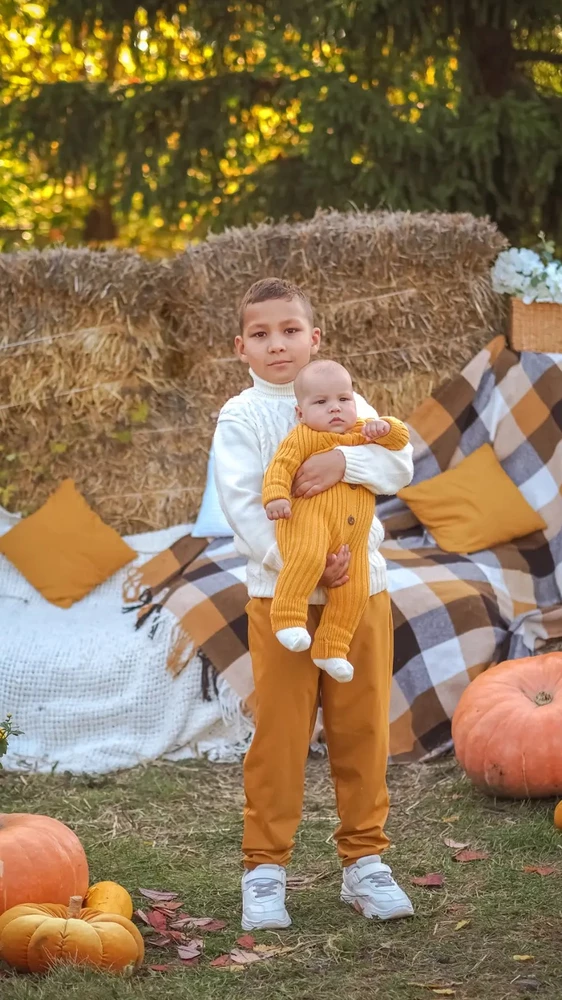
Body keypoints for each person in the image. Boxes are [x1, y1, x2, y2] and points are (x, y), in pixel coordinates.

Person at [214, 276, 415, 931]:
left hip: (363, 589)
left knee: (362, 729)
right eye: (263, 334)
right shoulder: (241, 418)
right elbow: (245, 508)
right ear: (241, 347)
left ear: (314, 337)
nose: (279, 345)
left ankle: (364, 862)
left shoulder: (345, 398)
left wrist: (343, 467)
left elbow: (399, 463)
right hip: (283, 600)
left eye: (291, 330)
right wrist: (296, 566)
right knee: (281, 736)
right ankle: (265, 868)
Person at [263, 359, 409, 683]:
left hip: (352, 536)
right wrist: (276, 496)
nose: (335, 409)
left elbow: (400, 443)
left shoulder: (361, 432)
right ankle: (288, 617)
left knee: (355, 588)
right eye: (321, 402)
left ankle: (332, 647)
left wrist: (386, 427)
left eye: (344, 400)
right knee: (308, 556)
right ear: (301, 414)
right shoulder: (303, 437)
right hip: (308, 521)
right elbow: (280, 467)